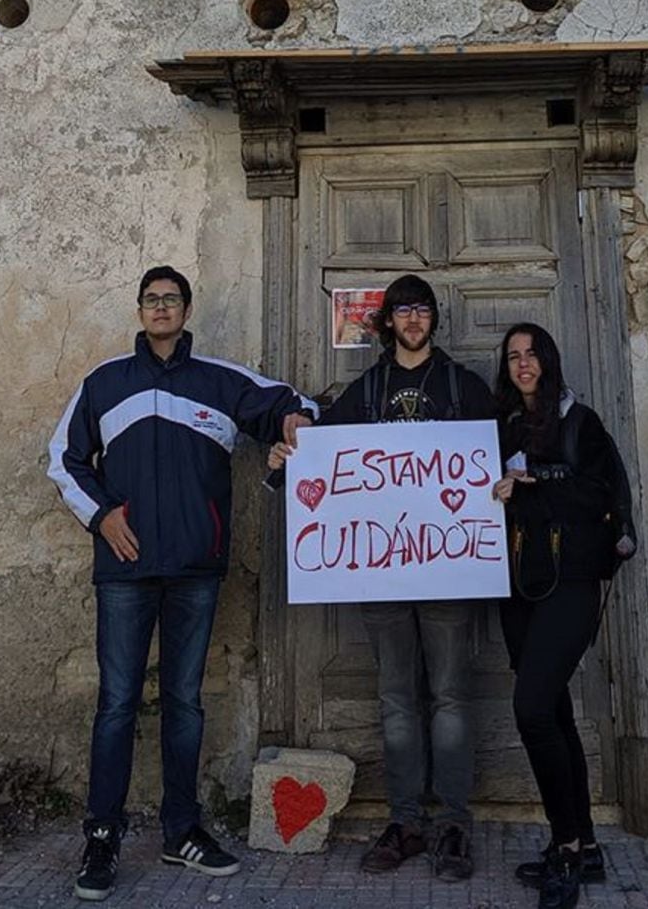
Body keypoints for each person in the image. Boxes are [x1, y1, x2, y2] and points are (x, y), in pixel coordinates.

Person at [48, 266, 316, 902]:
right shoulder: (106, 382)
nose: (161, 307)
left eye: (171, 299)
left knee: (185, 704)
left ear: (187, 310)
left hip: (196, 569)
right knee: (117, 704)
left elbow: (289, 403)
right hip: (125, 570)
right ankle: (102, 837)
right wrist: (102, 515)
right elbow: (64, 459)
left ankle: (182, 830)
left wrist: (297, 424)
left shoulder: (219, 381)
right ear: (140, 310)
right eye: (151, 299)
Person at [269, 273, 496, 882]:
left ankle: (454, 824)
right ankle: (406, 822)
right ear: (388, 322)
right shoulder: (366, 391)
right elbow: (321, 456)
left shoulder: (464, 386)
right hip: (384, 576)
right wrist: (289, 452)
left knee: (450, 698)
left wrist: (510, 479)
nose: (413, 320)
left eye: (422, 310)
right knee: (397, 700)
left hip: (449, 573)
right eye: (403, 311)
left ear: (433, 319)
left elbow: (503, 452)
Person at [491, 322, 635, 909]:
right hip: (518, 586)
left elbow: (599, 495)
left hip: (571, 584)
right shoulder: (500, 427)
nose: (523, 364)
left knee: (530, 708)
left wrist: (533, 484)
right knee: (553, 711)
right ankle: (586, 844)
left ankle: (567, 848)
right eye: (513, 356)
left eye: (532, 354)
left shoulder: (581, 423)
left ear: (548, 361)